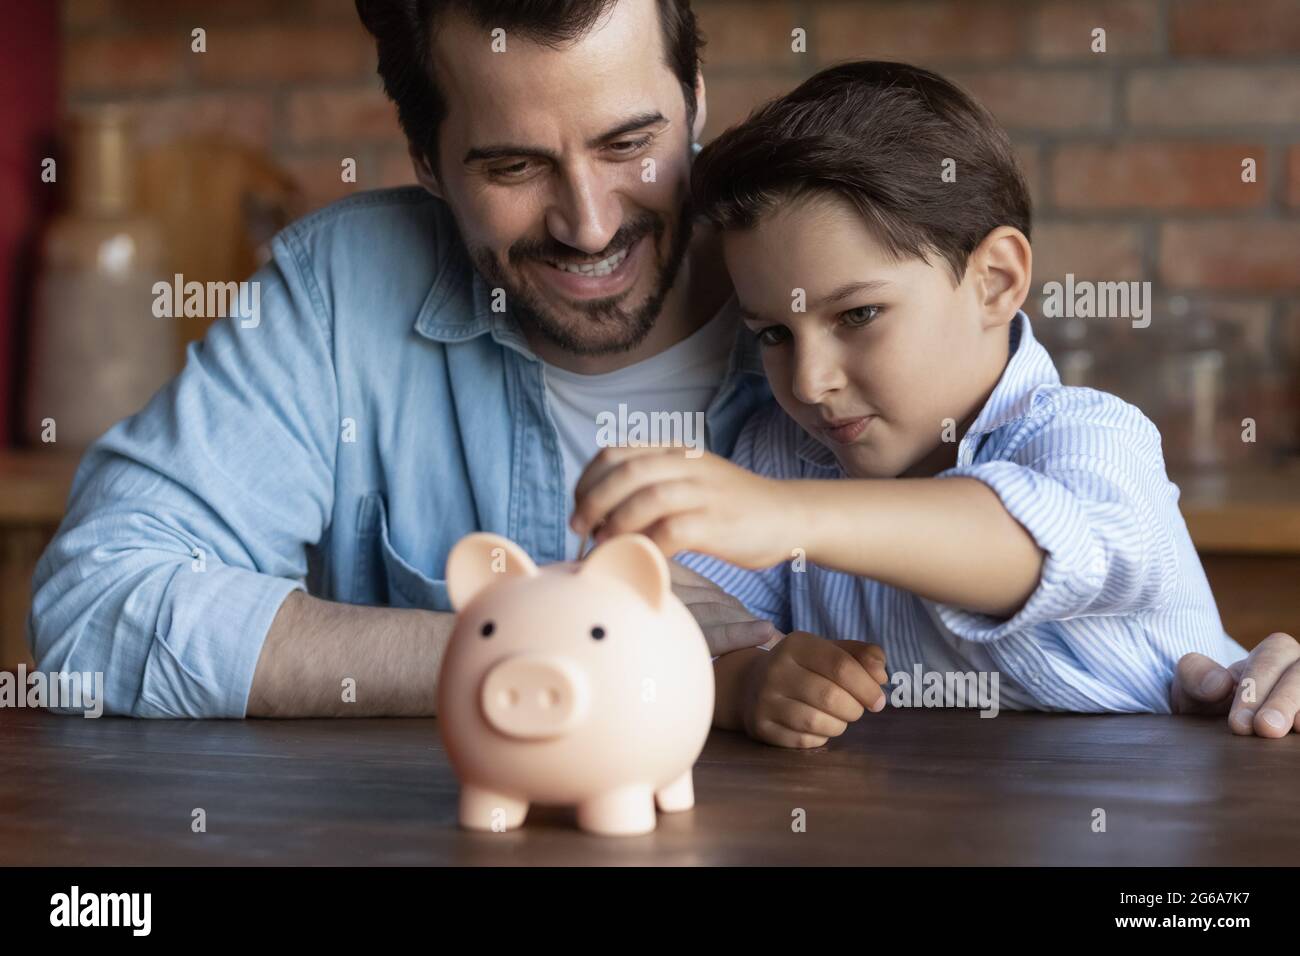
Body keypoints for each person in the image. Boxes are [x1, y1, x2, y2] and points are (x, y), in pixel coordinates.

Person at [27, 0, 778, 718]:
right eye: (514, 168)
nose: (589, 224)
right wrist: (537, 643)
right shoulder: (339, 290)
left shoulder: (840, 267)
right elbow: (96, 602)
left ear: (695, 100)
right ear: (428, 162)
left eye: (628, 145)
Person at [569, 60, 1300, 747]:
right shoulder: (786, 453)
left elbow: (1026, 543)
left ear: (996, 281)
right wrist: (744, 679)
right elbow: (654, 619)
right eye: (773, 334)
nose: (807, 382)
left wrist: (779, 513)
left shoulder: (1094, 435)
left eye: (857, 316)